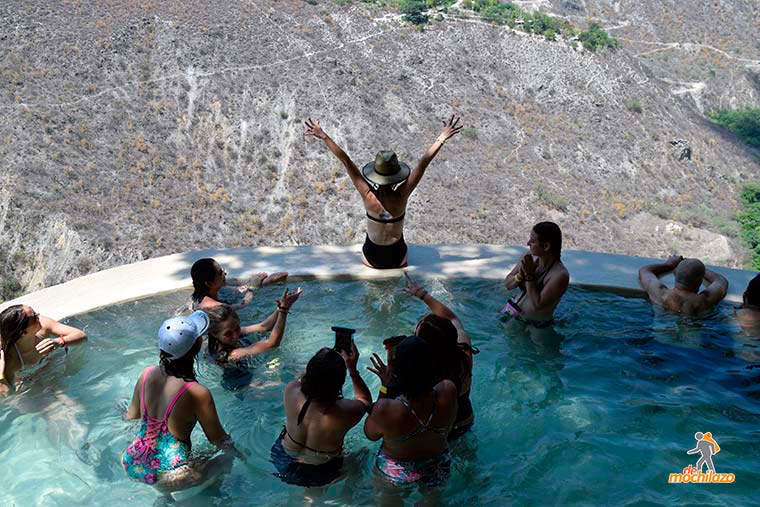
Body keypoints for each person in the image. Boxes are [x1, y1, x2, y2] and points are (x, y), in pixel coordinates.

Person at [304, 116, 463, 269]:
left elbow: (345, 160)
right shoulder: (402, 195)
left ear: (375, 173)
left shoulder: (367, 195)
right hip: (397, 256)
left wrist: (324, 136)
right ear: (397, 174)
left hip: (373, 256)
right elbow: (423, 164)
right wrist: (441, 138)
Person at [122, 311, 243, 492]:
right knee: (226, 460)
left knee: (203, 454)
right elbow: (218, 440)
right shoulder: (196, 392)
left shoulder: (146, 374)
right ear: (199, 344)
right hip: (171, 474)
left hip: (131, 461)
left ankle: (164, 496)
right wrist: (244, 455)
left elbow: (131, 416)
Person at [271, 342, 372, 487]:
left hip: (281, 458)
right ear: (340, 383)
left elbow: (305, 379)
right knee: (363, 454)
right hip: (319, 473)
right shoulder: (345, 411)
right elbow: (366, 401)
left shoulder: (291, 389)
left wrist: (320, 364)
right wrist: (352, 369)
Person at [365, 336, 457, 487]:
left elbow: (371, 434)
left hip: (396, 471)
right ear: (432, 365)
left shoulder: (386, 408)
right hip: (437, 465)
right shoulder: (448, 390)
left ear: (397, 371)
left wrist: (385, 387)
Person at [400, 273, 478, 440]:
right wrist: (423, 295)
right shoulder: (464, 351)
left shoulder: (420, 366)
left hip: (436, 428)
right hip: (464, 420)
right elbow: (453, 318)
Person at [0, 304, 87, 396]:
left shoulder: (44, 323)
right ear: (23, 332)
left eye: (34, 312)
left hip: (48, 368)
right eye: (34, 317)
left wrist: (59, 342)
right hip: (25, 381)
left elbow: (81, 336)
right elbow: (7, 395)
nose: (38, 315)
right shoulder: (9, 358)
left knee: (71, 402)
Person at [204, 287, 302, 365]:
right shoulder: (232, 355)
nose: (235, 335)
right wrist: (284, 310)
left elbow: (264, 326)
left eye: (237, 328)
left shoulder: (227, 331)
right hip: (240, 383)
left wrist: (281, 306)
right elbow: (272, 343)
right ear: (214, 333)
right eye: (228, 334)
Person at [503, 222, 570, 326]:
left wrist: (529, 276)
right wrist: (520, 276)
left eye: (533, 241)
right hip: (512, 314)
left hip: (537, 326)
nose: (528, 243)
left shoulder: (560, 275)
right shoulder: (528, 257)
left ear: (546, 246)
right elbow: (508, 284)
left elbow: (537, 304)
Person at [638, 255, 728, 316]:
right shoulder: (704, 301)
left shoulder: (661, 294)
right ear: (700, 281)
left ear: (675, 273)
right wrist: (699, 270)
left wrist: (669, 265)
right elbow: (721, 281)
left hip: (660, 341)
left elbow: (644, 271)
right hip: (692, 343)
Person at [190, 257, 288, 310]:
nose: (225, 273)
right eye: (220, 273)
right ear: (209, 283)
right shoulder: (214, 307)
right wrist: (253, 288)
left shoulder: (204, 291)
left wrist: (265, 282)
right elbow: (242, 305)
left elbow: (236, 287)